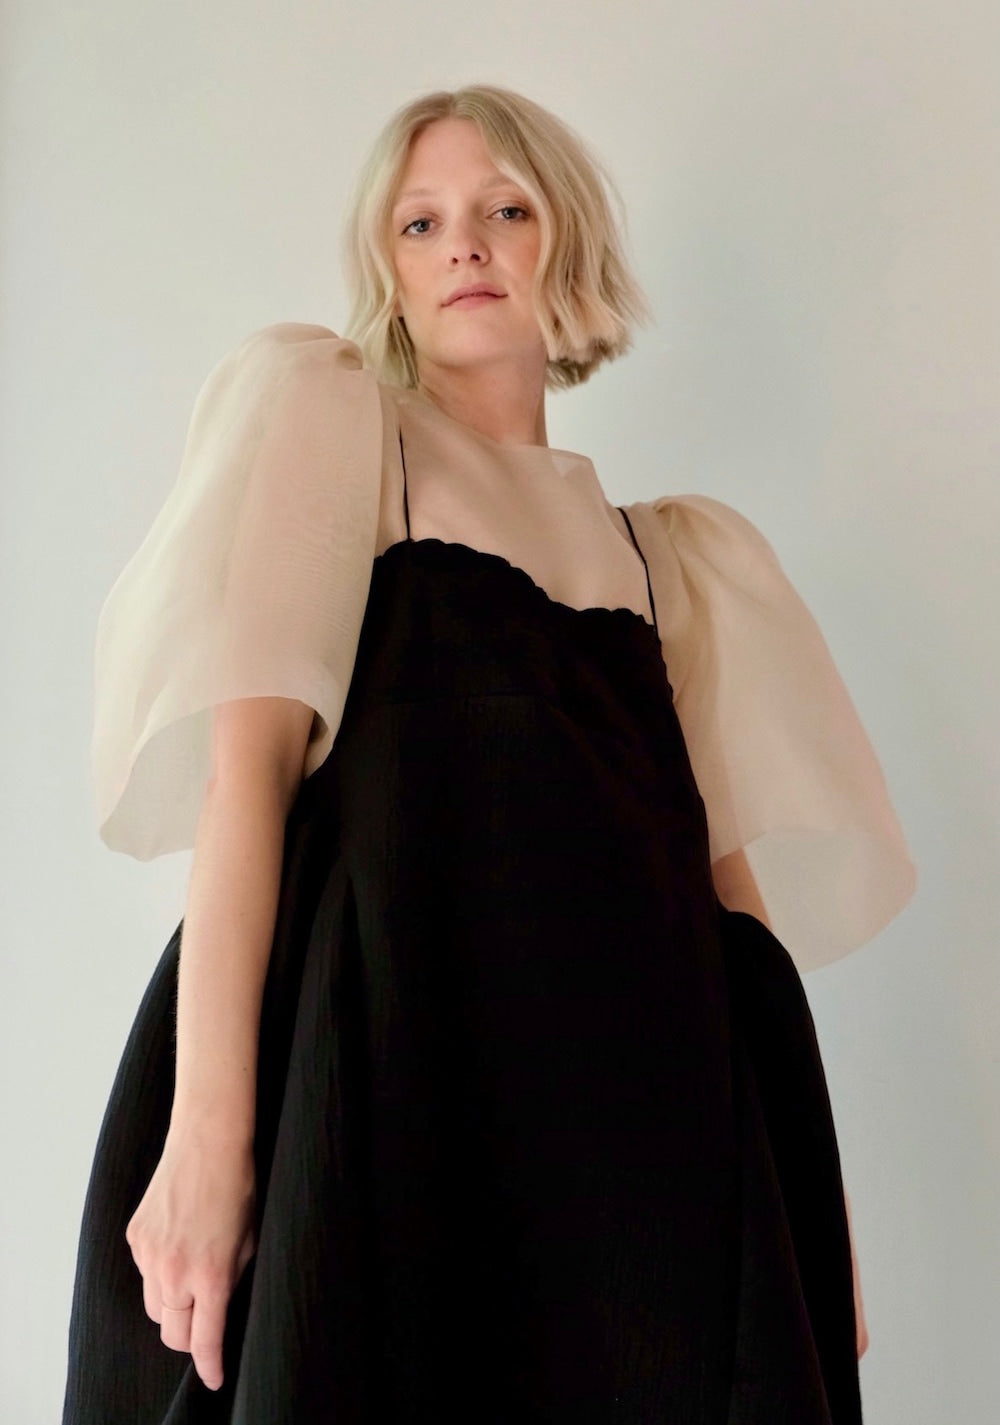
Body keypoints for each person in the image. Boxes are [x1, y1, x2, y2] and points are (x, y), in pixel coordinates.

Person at [62, 84, 916, 1423]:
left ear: (561, 244)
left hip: (640, 1134)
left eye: (504, 209)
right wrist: (210, 1135)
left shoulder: (670, 559)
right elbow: (254, 779)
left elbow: (730, 921)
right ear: (386, 274)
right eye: (422, 222)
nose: (465, 244)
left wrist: (819, 1214)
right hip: (395, 1082)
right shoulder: (343, 428)